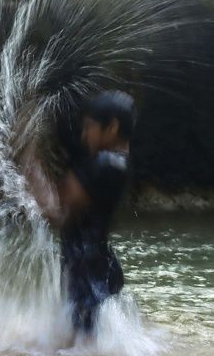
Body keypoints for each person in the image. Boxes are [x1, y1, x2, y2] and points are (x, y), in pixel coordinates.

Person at [28, 91, 136, 337]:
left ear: (112, 127)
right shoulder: (118, 164)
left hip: (89, 271)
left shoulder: (105, 164)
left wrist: (29, 162)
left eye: (89, 127)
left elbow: (58, 213)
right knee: (85, 351)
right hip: (96, 266)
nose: (84, 135)